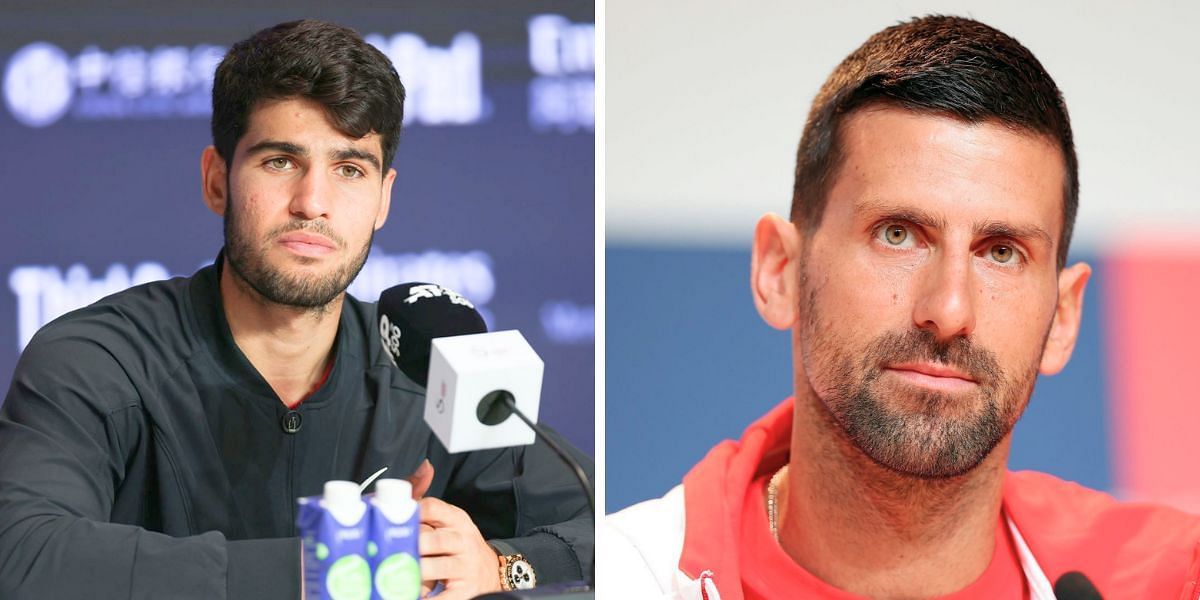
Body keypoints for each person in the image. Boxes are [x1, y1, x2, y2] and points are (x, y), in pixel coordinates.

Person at [603, 15, 1200, 600]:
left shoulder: (1167, 581)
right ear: (780, 271)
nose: (949, 309)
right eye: (898, 234)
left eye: (1001, 252)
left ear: (1064, 318)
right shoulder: (620, 579)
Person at [0, 19, 592, 600]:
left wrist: (500, 563)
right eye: (280, 161)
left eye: (349, 169)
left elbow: (611, 537)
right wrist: (339, 563)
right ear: (217, 180)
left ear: (383, 199)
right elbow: (23, 557)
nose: (313, 202)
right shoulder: (96, 359)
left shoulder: (429, 369)